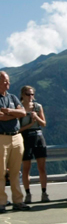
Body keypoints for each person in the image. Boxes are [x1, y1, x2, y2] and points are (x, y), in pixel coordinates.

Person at [0, 71, 30, 212]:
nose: (8, 83)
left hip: (17, 137)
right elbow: (1, 117)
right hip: (2, 137)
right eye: (5, 80)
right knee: (0, 172)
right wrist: (14, 114)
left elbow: (23, 113)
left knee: (16, 171)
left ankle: (18, 201)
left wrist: (8, 111)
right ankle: (1, 202)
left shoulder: (12, 97)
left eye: (8, 80)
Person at [19, 85, 49, 203]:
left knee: (42, 167)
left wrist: (36, 116)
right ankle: (27, 193)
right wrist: (30, 124)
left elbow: (43, 123)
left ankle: (44, 192)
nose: (31, 96)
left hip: (38, 137)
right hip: (25, 137)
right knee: (26, 168)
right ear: (23, 95)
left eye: (32, 94)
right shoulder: (19, 108)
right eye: (28, 94)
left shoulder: (38, 107)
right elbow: (18, 129)